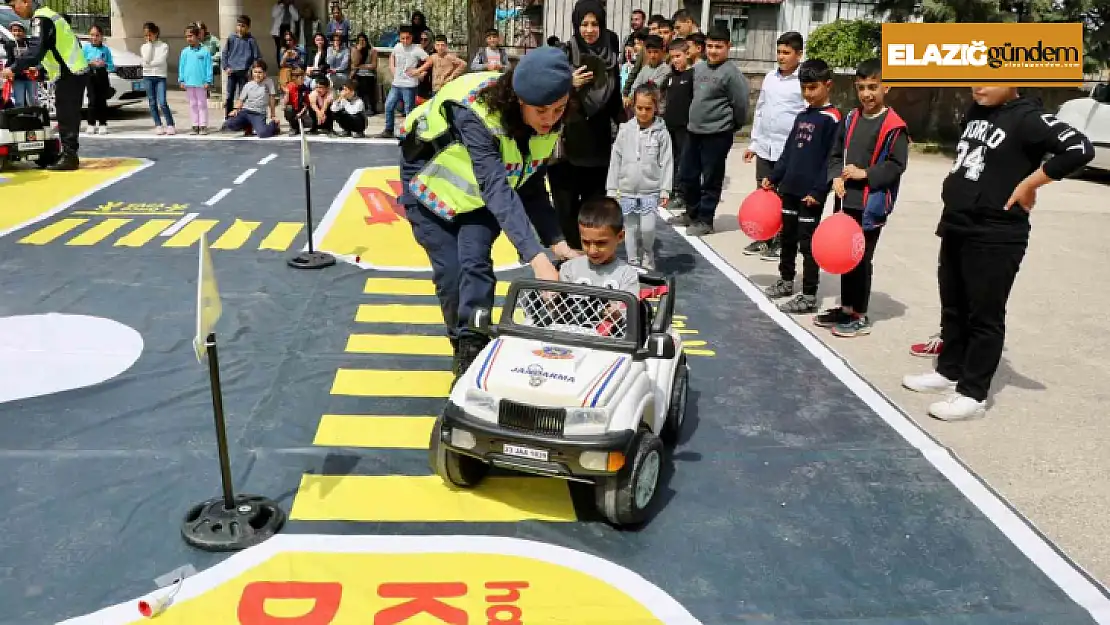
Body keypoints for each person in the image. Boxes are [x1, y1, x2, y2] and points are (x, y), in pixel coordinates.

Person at [902, 86, 1093, 421]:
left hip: (995, 233)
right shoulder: (977, 110)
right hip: (958, 224)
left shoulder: (1028, 117)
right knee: (954, 306)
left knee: (984, 316)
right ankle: (949, 370)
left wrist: (1031, 183)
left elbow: (1079, 148)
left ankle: (973, 394)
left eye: (990, 78)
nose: (979, 85)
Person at [398, 48, 581, 379]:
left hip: (477, 196)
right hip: (429, 186)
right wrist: (537, 260)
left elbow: (528, 181)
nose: (550, 119)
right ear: (517, 99)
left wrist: (557, 242)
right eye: (541, 110)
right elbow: (497, 187)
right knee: (452, 273)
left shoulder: (550, 119)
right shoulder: (477, 114)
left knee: (476, 262)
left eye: (558, 109)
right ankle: (462, 344)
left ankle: (473, 344)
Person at [821, 58, 909, 337]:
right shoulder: (850, 118)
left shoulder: (895, 126)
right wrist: (836, 176)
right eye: (862, 88)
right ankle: (846, 307)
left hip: (871, 206)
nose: (867, 94)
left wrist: (865, 174)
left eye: (873, 87)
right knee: (847, 257)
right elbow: (835, 155)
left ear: (887, 86)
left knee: (861, 259)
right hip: (846, 202)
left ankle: (860, 313)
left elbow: (896, 166)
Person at [760, 59, 840, 315]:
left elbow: (832, 160)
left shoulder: (833, 119)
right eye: (804, 88)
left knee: (808, 245)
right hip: (789, 189)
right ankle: (786, 280)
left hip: (810, 196)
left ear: (828, 85)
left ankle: (808, 294)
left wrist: (818, 191)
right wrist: (774, 177)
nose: (808, 94)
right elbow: (788, 152)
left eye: (813, 87)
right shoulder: (802, 116)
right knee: (788, 238)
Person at [549, 0, 625, 248]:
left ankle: (591, 254)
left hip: (598, 144)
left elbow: (614, 101)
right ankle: (568, 254)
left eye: (595, 24)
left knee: (593, 208)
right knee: (565, 206)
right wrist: (568, 84)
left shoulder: (611, 57)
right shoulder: (564, 55)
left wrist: (630, 127)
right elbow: (545, 95)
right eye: (584, 24)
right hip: (566, 144)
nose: (590, 30)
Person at [670, 26, 749, 236]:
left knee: (711, 178)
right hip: (694, 132)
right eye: (710, 46)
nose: (713, 51)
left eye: (719, 47)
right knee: (687, 174)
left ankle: (705, 220)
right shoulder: (699, 68)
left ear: (728, 47)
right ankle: (692, 213)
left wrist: (732, 126)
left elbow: (740, 105)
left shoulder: (732, 74)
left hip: (717, 135)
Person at [2, 0, 87, 170]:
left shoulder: (41, 18)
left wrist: (13, 68)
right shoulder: (50, 15)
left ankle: (70, 157)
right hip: (71, 72)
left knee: (67, 116)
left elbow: (36, 50)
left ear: (26, 1)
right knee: (66, 114)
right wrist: (40, 71)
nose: (14, 10)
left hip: (70, 73)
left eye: (14, 5)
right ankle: (68, 154)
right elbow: (52, 49)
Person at [743, 31, 805, 259]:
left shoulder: (802, 81)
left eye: (786, 53)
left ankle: (782, 240)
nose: (781, 56)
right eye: (779, 52)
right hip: (766, 147)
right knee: (764, 191)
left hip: (787, 151)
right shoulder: (770, 77)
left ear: (799, 54)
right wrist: (754, 143)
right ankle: (763, 237)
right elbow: (759, 110)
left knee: (785, 196)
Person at [606, 84, 672, 270]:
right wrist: (612, 188)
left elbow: (667, 162)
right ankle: (632, 261)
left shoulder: (661, 133)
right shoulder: (625, 130)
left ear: (656, 108)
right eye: (639, 108)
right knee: (630, 228)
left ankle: (648, 253)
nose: (643, 112)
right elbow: (615, 159)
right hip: (626, 191)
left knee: (648, 228)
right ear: (633, 106)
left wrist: (665, 189)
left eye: (648, 108)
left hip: (650, 191)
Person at [560, 196, 641, 298]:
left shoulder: (627, 275)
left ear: (620, 237)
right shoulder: (568, 269)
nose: (592, 250)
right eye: (586, 242)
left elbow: (629, 311)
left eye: (601, 243)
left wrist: (616, 313)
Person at [377, 25, 432, 139]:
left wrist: (418, 71)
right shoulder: (397, 47)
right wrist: (392, 68)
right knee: (389, 106)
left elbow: (429, 61)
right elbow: (392, 56)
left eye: (407, 38)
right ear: (399, 38)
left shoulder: (416, 49)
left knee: (409, 109)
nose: (405, 41)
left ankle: (409, 131)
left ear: (411, 38)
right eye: (403, 38)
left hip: (409, 85)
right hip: (396, 84)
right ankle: (388, 129)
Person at [660, 38, 693, 212]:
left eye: (678, 56)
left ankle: (682, 194)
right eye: (672, 57)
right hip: (669, 125)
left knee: (683, 161)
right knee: (670, 160)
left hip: (685, 127)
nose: (675, 60)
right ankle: (671, 191)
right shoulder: (671, 77)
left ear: (687, 54)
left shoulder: (692, 76)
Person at [222, 60, 279, 138]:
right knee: (229, 124)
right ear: (252, 72)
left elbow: (272, 98)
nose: (257, 75)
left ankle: (274, 125)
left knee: (263, 134)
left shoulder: (269, 82)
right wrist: (235, 110)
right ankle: (248, 125)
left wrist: (273, 115)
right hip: (245, 112)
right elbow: (241, 100)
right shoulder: (248, 85)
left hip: (258, 114)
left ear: (264, 73)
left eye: (260, 72)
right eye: (255, 72)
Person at [222, 15, 262, 118]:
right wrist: (226, 67)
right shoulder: (231, 38)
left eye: (243, 26)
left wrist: (251, 70)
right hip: (232, 71)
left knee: (242, 96)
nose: (240, 28)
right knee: (230, 95)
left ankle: (240, 117)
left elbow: (256, 57)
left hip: (244, 72)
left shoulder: (251, 40)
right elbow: (225, 53)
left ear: (248, 27)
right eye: (238, 25)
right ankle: (228, 118)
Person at [141, 22, 175, 135]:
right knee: (152, 102)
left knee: (162, 101)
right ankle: (158, 124)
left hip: (160, 76)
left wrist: (149, 63)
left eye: (150, 34)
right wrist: (150, 45)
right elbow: (145, 59)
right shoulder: (144, 47)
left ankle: (170, 124)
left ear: (155, 33)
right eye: (146, 35)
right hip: (147, 76)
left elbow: (161, 61)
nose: (148, 37)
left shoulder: (163, 46)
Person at [179, 24, 213, 135]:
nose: (189, 38)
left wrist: (208, 80)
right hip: (189, 82)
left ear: (198, 36)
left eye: (191, 36)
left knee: (201, 104)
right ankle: (195, 125)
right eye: (187, 36)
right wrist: (181, 79)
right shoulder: (185, 52)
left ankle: (203, 125)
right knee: (193, 104)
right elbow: (182, 66)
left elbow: (209, 67)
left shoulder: (205, 51)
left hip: (201, 83)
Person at [82, 24, 113, 135]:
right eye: (92, 35)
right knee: (92, 100)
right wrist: (91, 62)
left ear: (101, 36)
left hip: (102, 75)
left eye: (97, 35)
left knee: (102, 100)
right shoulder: (86, 48)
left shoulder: (105, 49)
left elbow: (111, 65)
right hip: (90, 75)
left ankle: (103, 123)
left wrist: (104, 64)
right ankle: (91, 124)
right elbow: (81, 62)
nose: (94, 38)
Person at [3, 20, 36, 108]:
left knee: (33, 99)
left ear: (23, 32)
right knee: (19, 101)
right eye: (14, 30)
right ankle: (20, 119)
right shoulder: (10, 44)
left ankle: (37, 118)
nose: (16, 33)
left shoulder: (29, 43)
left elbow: (34, 57)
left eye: (19, 30)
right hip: (17, 77)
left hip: (30, 76)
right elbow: (10, 60)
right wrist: (9, 71)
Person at [349, 32, 377, 114]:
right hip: (357, 73)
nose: (362, 42)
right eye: (360, 40)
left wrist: (361, 66)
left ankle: (370, 108)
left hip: (369, 74)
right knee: (356, 82)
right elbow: (354, 64)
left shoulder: (372, 51)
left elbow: (373, 65)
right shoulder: (355, 50)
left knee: (365, 81)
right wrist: (358, 51)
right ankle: (359, 106)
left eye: (363, 40)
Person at [270, 0, 299, 66]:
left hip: (289, 28)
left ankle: (290, 64)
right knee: (280, 48)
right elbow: (274, 15)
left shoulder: (292, 7)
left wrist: (290, 6)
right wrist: (282, 5)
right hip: (279, 30)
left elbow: (296, 18)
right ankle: (280, 66)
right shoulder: (277, 6)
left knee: (290, 48)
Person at [282, 67, 310, 135]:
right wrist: (287, 93)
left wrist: (301, 113)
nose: (303, 80)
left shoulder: (304, 88)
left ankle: (300, 123)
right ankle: (293, 127)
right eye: (302, 78)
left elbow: (306, 103)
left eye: (304, 78)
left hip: (301, 110)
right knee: (288, 109)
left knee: (305, 124)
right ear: (295, 78)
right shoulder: (289, 87)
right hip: (292, 110)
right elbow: (284, 105)